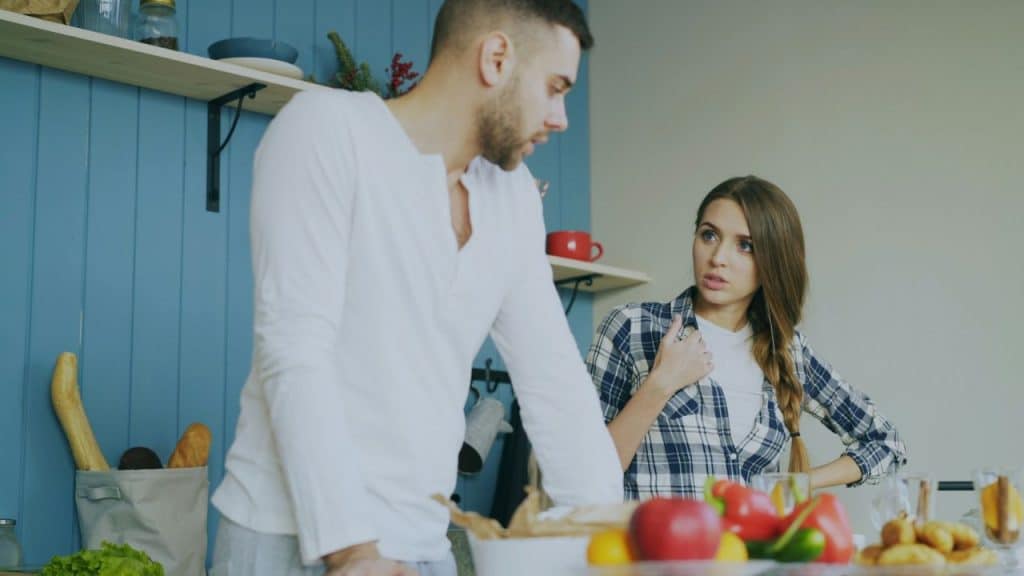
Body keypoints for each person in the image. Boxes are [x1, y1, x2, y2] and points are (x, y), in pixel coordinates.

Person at [210, 1, 622, 575]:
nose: (560, 118)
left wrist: (614, 536)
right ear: (496, 58)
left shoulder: (514, 196)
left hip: (424, 547)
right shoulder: (327, 129)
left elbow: (554, 378)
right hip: (292, 540)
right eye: (554, 88)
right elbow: (294, 349)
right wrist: (353, 552)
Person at [586, 175, 907, 501]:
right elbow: (584, 475)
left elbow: (886, 442)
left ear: (773, 260)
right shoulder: (631, 327)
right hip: (654, 551)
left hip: (751, 551)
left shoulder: (789, 351)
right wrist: (660, 384)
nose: (718, 258)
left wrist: (801, 483)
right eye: (709, 235)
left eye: (745, 245)